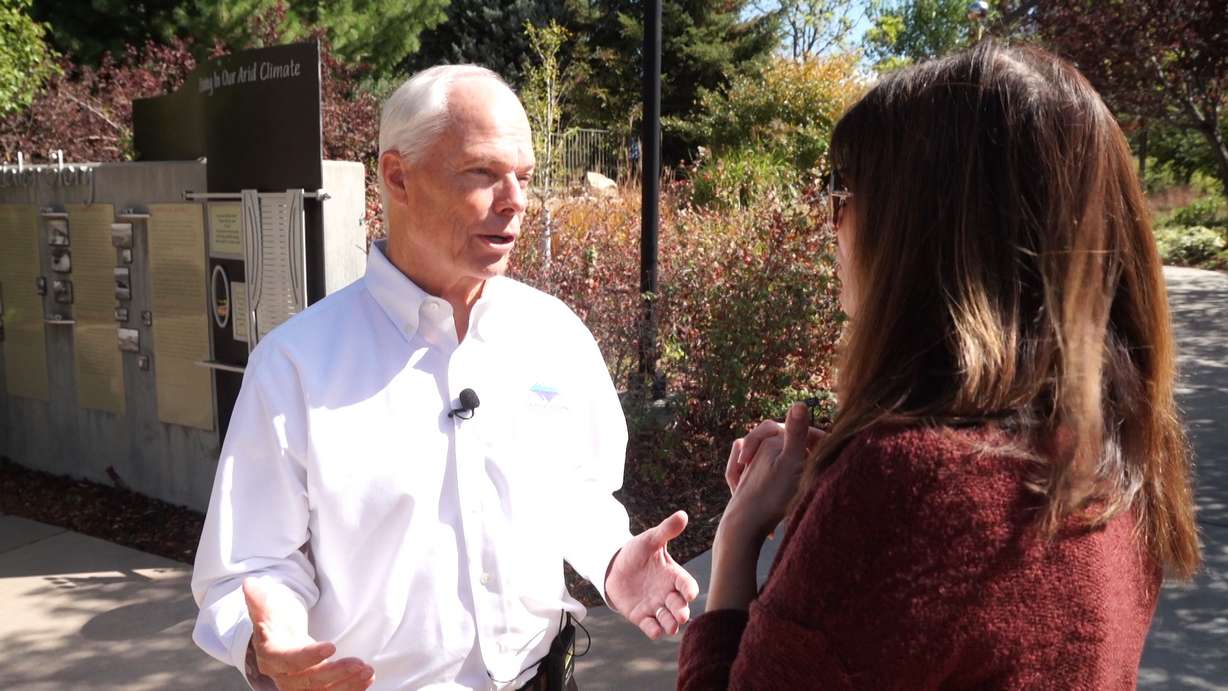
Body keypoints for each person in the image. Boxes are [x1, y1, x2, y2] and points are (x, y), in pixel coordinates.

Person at [678, 42, 1200, 689]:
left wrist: (737, 537)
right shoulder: (1114, 459)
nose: (831, 220)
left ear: (918, 227)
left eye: (842, 190)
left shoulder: (909, 487)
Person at [192, 64, 699, 691]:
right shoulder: (296, 365)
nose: (514, 201)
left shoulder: (554, 334)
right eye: (483, 173)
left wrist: (613, 557)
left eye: (523, 177)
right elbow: (248, 565)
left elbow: (576, 491)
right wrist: (273, 644)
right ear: (398, 177)